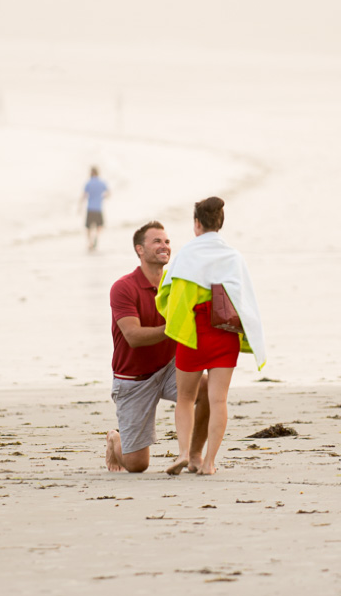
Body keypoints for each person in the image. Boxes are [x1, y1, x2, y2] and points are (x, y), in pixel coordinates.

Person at [156, 197, 266, 476]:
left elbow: (168, 295)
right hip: (223, 335)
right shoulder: (233, 257)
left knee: (185, 398)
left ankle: (183, 453)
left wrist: (174, 319)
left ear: (196, 224)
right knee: (218, 400)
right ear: (220, 223)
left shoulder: (185, 255)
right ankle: (208, 462)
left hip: (193, 333)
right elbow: (245, 301)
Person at [106, 221, 210, 473]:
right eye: (157, 242)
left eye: (167, 241)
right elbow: (133, 336)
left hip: (168, 367)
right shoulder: (124, 287)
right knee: (137, 465)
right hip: (133, 378)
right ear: (139, 249)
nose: (164, 246)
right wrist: (175, 327)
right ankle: (114, 440)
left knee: (207, 387)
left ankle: (194, 455)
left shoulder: (175, 284)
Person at [80, 167, 110, 251]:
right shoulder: (102, 183)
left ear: (91, 173)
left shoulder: (88, 183)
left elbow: (84, 195)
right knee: (99, 225)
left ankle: (90, 242)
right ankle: (96, 236)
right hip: (98, 208)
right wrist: (102, 197)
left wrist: (80, 206)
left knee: (88, 227)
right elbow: (108, 193)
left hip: (90, 208)